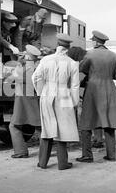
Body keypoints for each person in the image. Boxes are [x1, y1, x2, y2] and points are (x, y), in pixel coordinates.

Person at [32, 33, 80, 170]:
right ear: (68, 47)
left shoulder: (46, 59)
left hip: (47, 94)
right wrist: (75, 102)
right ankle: (63, 163)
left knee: (47, 128)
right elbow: (75, 86)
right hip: (64, 95)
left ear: (57, 45)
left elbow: (35, 77)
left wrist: (41, 92)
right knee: (63, 129)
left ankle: (42, 162)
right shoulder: (72, 63)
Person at [77, 30, 116, 163]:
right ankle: (111, 155)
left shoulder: (89, 54)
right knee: (108, 123)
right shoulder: (114, 56)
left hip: (93, 89)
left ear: (96, 42)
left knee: (86, 122)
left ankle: (87, 155)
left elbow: (82, 69)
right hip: (109, 90)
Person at [67, 46, 104, 148]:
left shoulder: (86, 60)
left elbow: (88, 72)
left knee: (90, 115)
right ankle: (98, 138)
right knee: (97, 114)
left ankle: (96, 139)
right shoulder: (91, 57)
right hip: (100, 88)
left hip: (94, 89)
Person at [9, 45, 42, 158]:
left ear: (28, 55)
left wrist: (18, 63)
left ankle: (20, 151)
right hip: (33, 100)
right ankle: (45, 150)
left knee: (14, 126)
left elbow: (14, 77)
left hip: (22, 100)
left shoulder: (25, 67)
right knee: (39, 127)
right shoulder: (36, 66)